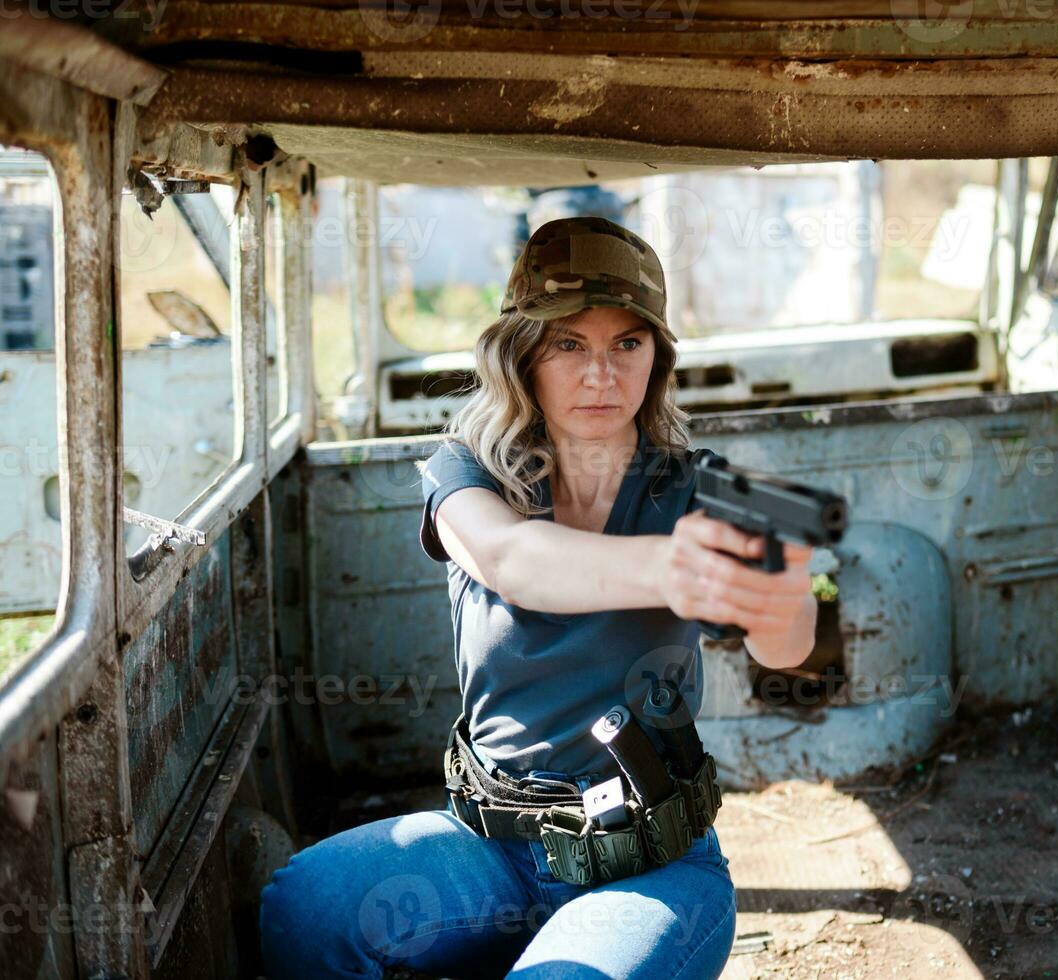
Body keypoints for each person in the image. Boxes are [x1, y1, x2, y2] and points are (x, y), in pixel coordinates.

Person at [258, 216, 818, 979]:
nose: (602, 374)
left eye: (628, 343)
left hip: (650, 865)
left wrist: (783, 596)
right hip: (492, 849)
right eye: (569, 345)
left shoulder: (696, 489)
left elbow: (785, 650)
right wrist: (672, 566)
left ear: (656, 358)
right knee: (303, 911)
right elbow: (512, 558)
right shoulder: (466, 472)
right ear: (522, 353)